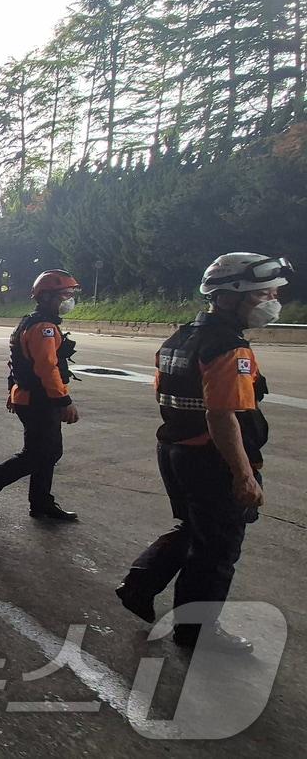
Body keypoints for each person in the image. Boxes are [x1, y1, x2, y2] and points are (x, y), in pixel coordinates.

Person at [116, 253, 291, 653]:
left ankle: (139, 584)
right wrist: (243, 474)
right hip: (212, 460)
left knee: (196, 530)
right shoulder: (228, 348)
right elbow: (221, 416)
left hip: (176, 450)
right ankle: (195, 632)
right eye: (263, 293)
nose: (272, 300)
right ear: (231, 297)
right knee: (216, 551)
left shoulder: (182, 336)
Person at [0, 269, 81, 525]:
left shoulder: (30, 322)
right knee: (36, 456)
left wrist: (12, 390)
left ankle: (41, 502)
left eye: (70, 294)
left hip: (31, 397)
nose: (69, 300)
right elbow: (47, 367)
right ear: (47, 297)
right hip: (40, 400)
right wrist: (64, 401)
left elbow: (16, 363)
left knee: (47, 453)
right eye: (64, 295)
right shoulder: (44, 328)